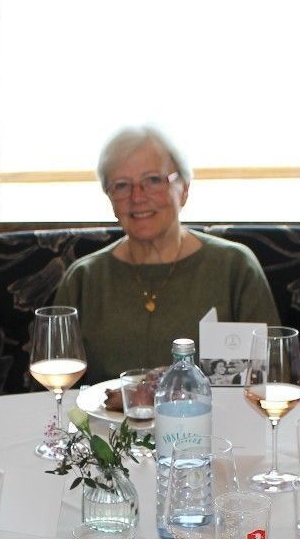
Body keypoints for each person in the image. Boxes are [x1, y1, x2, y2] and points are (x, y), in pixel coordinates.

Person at [52, 125, 280, 382]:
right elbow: (60, 390)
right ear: (110, 198)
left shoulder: (235, 268)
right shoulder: (84, 278)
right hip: (103, 422)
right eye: (122, 185)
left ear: (183, 189)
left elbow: (270, 375)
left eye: (153, 180)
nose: (137, 197)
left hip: (213, 421)